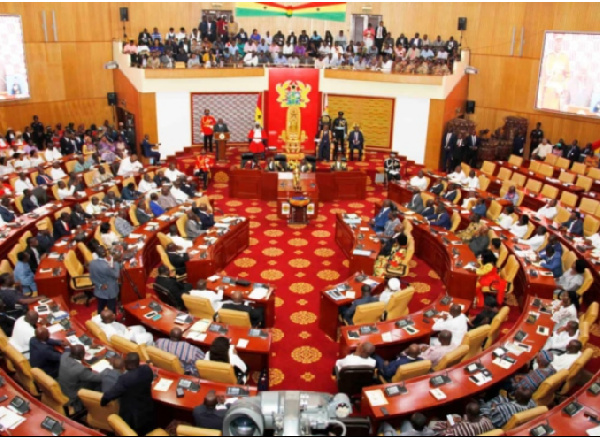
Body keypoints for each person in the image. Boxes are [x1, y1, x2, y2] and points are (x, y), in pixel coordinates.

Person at [101, 352, 156, 436]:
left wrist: (103, 401)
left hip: (132, 415)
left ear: (126, 364)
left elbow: (112, 394)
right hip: (147, 407)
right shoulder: (146, 369)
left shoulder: (124, 379)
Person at [59, 345, 103, 413]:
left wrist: (89, 347)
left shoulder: (64, 356)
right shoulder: (80, 370)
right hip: (72, 396)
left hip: (63, 387)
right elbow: (98, 378)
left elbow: (67, 349)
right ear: (82, 355)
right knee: (98, 383)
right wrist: (107, 371)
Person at [89, 247, 122, 313]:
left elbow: (91, 277)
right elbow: (116, 275)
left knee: (100, 307)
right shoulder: (106, 266)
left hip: (99, 290)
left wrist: (100, 285)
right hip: (110, 291)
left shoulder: (92, 263)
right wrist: (116, 262)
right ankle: (112, 321)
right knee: (111, 309)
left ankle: (99, 320)